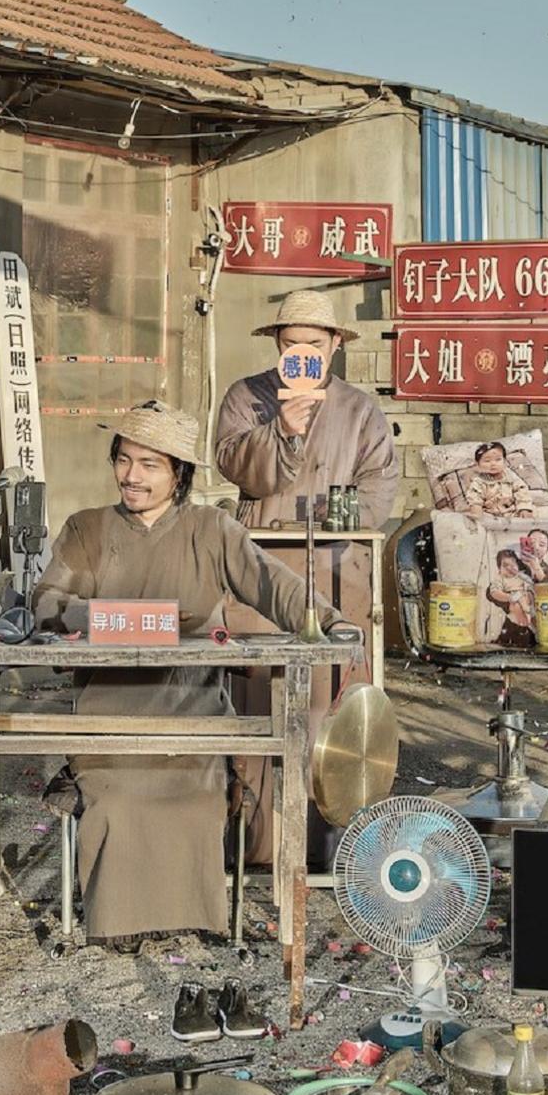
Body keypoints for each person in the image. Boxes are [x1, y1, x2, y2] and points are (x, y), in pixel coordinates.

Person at [32, 400, 358, 946]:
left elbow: (270, 582)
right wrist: (95, 617)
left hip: (193, 716)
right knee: (119, 800)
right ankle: (117, 921)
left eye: (150, 465)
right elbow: (45, 600)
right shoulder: (86, 529)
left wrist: (331, 620)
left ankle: (191, 914)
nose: (132, 477)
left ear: (178, 475)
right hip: (108, 721)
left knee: (194, 799)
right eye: (124, 461)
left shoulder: (212, 530)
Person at [215, 289, 399, 864]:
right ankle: (255, 850)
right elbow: (230, 461)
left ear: (336, 345)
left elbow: (379, 487)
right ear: (277, 344)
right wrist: (283, 433)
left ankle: (328, 849)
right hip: (261, 570)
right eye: (291, 343)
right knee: (256, 702)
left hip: (336, 573)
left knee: (330, 712)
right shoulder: (247, 397)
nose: (302, 353)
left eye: (314, 344)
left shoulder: (361, 409)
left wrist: (338, 519)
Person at [463, 440, 536, 519]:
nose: (493, 464)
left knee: (531, 513)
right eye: (487, 461)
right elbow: (475, 498)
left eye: (498, 460)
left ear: (504, 461)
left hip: (511, 510)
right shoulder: (479, 482)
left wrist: (523, 508)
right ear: (478, 464)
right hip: (490, 512)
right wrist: (477, 511)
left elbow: (521, 490)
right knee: (477, 520)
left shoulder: (511, 477)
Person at [487, 547, 537, 650]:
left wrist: (529, 594)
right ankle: (524, 624)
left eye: (513, 564)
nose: (510, 568)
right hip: (514, 607)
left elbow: (532, 585)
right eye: (505, 565)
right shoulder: (500, 579)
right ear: (499, 569)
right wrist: (510, 597)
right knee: (517, 605)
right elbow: (493, 593)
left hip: (527, 603)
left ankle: (530, 623)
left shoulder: (521, 576)